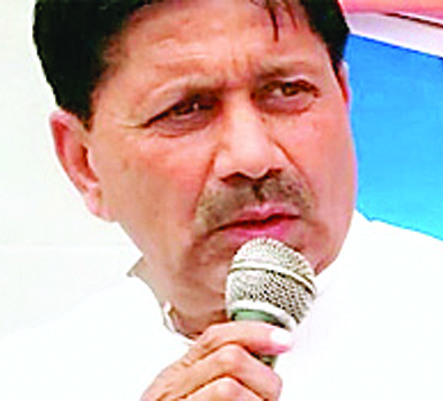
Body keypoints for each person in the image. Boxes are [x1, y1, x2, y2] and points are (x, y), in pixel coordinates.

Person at [1, 0, 442, 400]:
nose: (252, 158)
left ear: (343, 98)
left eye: (287, 90)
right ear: (85, 164)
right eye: (185, 109)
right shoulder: (30, 379)